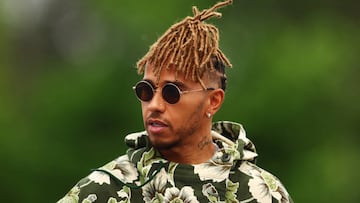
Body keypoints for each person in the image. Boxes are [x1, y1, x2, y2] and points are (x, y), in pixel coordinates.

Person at [58, 0, 293, 202]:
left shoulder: (260, 192)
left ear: (213, 101)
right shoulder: (105, 189)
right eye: (146, 90)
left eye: (172, 93)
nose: (155, 105)